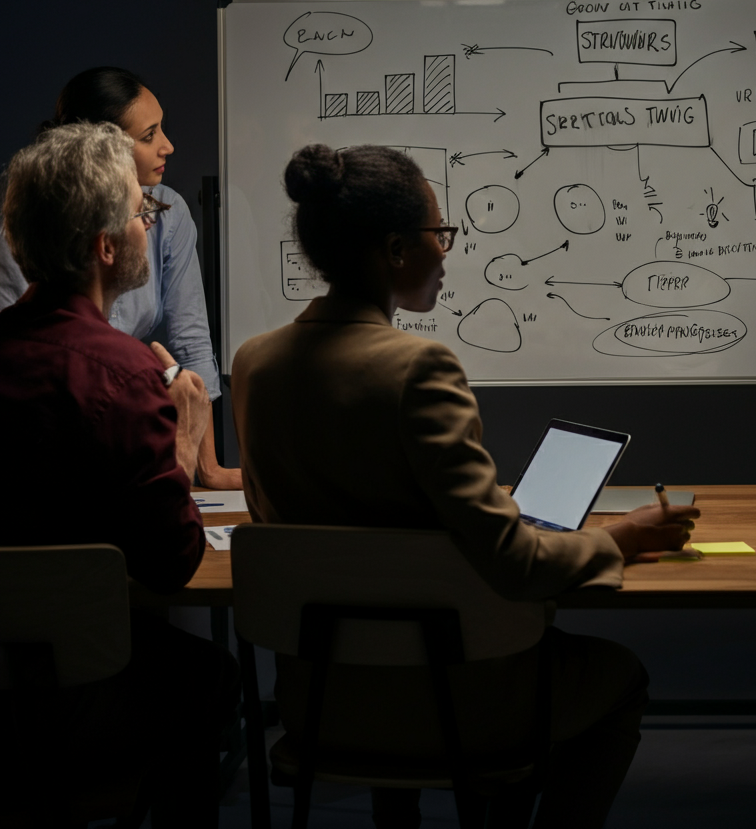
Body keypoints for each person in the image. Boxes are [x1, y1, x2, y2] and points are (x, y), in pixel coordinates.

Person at [230, 143, 700, 829]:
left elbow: (362, 523)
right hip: (453, 701)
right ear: (395, 249)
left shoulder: (255, 364)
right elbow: (512, 562)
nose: (446, 252)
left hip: (323, 702)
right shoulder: (419, 368)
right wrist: (617, 540)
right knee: (620, 677)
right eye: (438, 235)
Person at [0, 121, 239, 827]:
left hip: (8, 680)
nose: (148, 224)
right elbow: (171, 565)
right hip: (81, 688)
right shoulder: (126, 375)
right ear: (106, 248)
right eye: (143, 212)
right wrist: (187, 441)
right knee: (209, 680)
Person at [0, 66, 240, 489]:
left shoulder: (169, 211)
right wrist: (179, 445)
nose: (167, 146)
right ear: (104, 242)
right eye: (148, 136)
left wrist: (209, 466)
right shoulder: (127, 372)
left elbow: (191, 339)